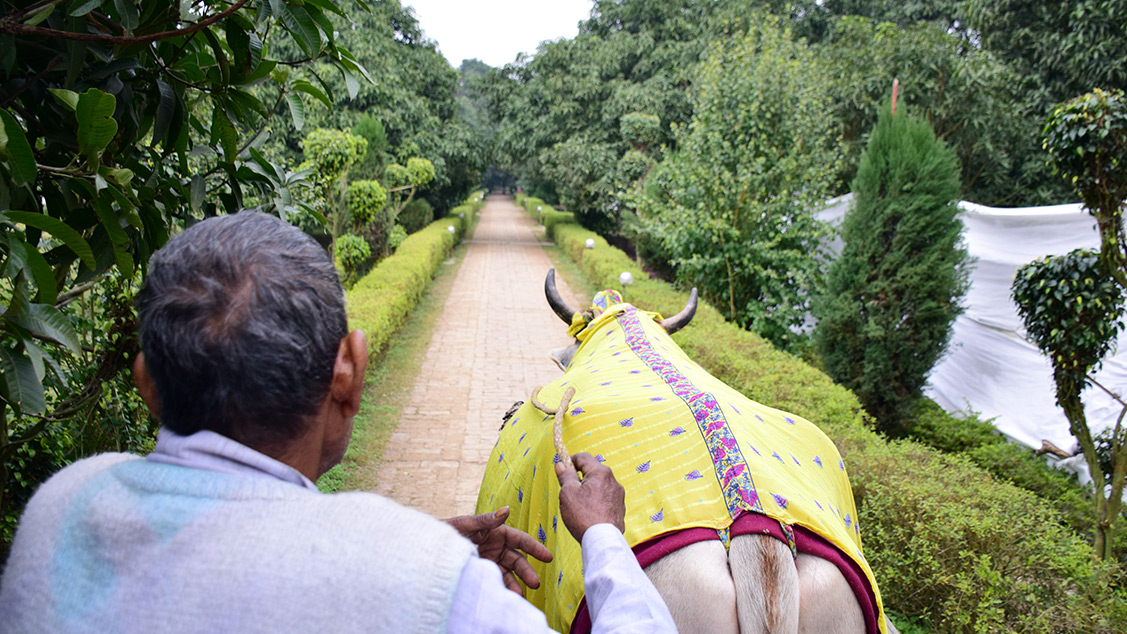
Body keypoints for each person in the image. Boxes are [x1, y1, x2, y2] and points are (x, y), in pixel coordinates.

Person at [0, 212, 676, 633]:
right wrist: (604, 541)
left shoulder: (60, 504)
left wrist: (418, 547)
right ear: (348, 371)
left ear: (147, 383)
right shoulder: (423, 581)